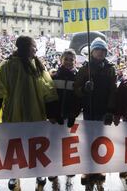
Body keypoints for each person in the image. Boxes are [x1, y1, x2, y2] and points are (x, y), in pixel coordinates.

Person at [0, 36, 59, 190]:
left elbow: (48, 90)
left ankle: (39, 172)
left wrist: (53, 113)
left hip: (35, 115)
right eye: (34, 46)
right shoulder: (6, 66)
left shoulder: (38, 66)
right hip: (13, 115)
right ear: (26, 47)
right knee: (15, 147)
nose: (36, 49)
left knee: (36, 145)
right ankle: (14, 175)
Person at [74, 37, 117, 185]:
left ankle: (99, 167)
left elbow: (113, 91)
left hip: (104, 109)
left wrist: (111, 110)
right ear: (92, 51)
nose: (100, 52)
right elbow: (76, 89)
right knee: (88, 139)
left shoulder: (110, 69)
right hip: (89, 108)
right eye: (98, 49)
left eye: (103, 50)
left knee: (101, 139)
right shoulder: (85, 68)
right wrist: (85, 89)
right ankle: (87, 169)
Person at [49, 49, 80, 181]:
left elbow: (79, 99)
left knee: (69, 144)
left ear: (75, 61)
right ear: (61, 60)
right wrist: (52, 114)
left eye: (71, 59)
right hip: (56, 117)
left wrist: (74, 114)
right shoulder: (54, 75)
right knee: (54, 144)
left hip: (70, 116)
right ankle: (53, 169)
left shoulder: (78, 77)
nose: (68, 62)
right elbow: (49, 97)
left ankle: (68, 168)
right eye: (66, 59)